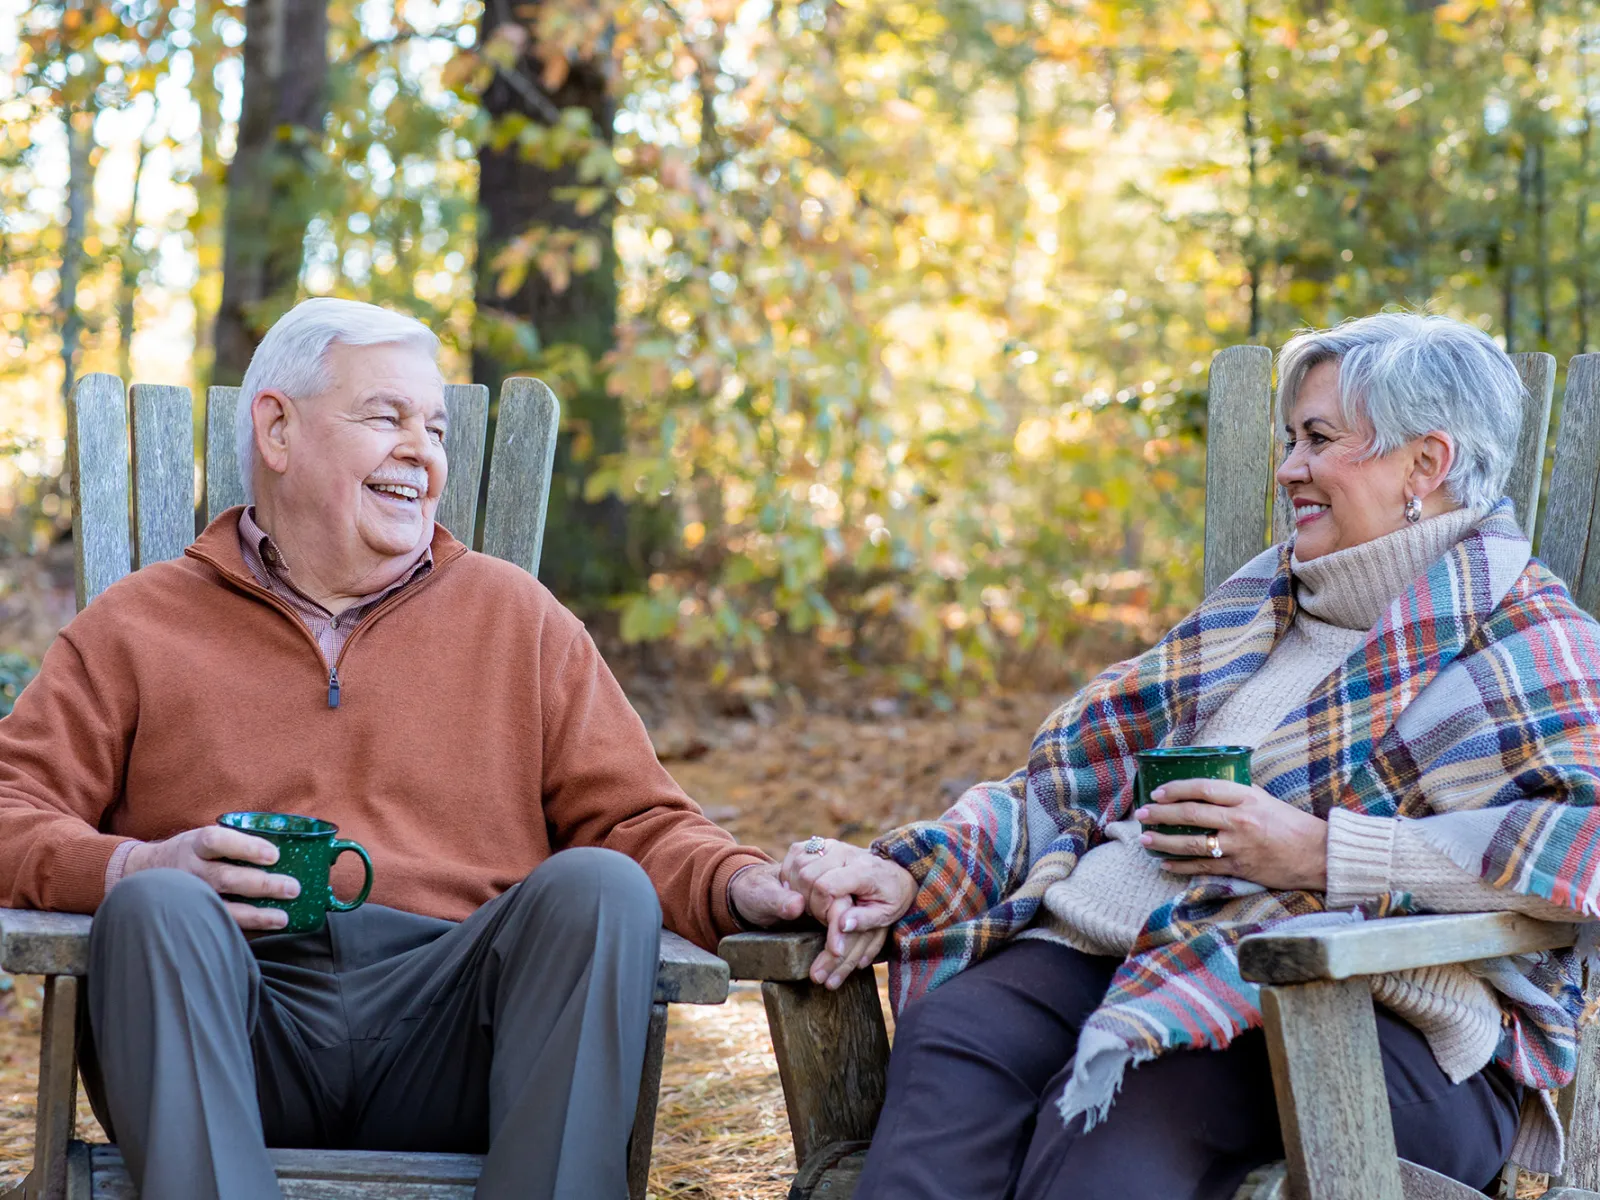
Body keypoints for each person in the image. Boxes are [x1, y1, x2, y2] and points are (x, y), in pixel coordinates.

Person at [0, 298, 807, 1200]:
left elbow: (636, 821)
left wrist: (740, 884)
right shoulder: (139, 627)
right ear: (277, 428)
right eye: (385, 417)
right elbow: (8, 808)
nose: (421, 452)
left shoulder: (517, 619)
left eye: (435, 428)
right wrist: (133, 865)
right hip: (234, 1019)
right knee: (154, 908)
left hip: (461, 1022)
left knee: (599, 886)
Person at [780, 312, 1600, 1199]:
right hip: (1124, 947)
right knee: (961, 1035)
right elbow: (1065, 788)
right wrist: (914, 871)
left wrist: (1317, 852)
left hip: (1355, 1009)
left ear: (1425, 464)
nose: (1289, 468)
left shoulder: (1529, 640)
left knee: (1120, 1096)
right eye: (1290, 439)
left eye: (1318, 439)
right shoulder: (1255, 609)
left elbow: (1580, 845)